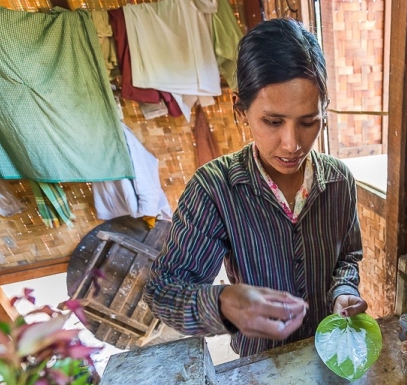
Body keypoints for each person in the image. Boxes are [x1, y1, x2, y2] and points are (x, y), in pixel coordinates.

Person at [143, 18, 368, 357]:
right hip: (260, 365)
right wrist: (222, 303)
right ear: (241, 111)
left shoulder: (339, 182)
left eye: (308, 122)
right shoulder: (214, 189)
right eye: (273, 122)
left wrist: (344, 289)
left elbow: (347, 257)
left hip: (329, 353)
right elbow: (163, 291)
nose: (292, 143)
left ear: (325, 111)